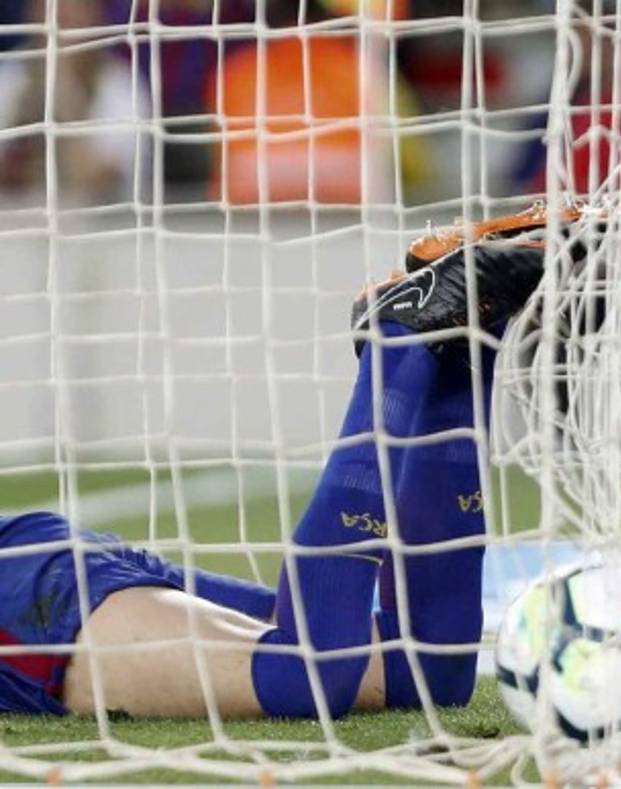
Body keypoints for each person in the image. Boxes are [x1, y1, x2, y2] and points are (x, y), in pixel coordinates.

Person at [0, 210, 560, 718]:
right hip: (36, 562)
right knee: (425, 671)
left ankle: (398, 338)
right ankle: (468, 336)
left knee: (308, 677)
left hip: (22, 604)